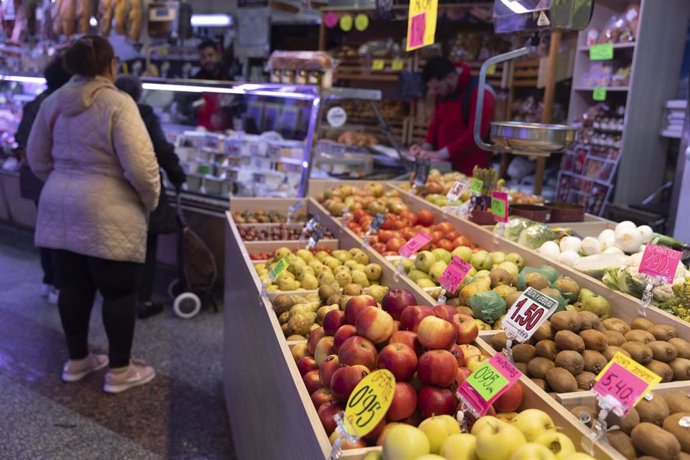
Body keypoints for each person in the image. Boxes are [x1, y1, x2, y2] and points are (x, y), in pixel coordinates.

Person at [26, 36, 161, 393]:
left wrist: (64, 179)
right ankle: (119, 371)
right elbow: (142, 167)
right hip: (109, 210)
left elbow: (36, 157)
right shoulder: (119, 103)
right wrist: (149, 200)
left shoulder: (52, 102)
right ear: (110, 65)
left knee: (71, 286)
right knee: (118, 292)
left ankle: (77, 360)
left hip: (59, 206)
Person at [115, 75, 187, 319]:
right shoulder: (145, 115)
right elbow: (162, 150)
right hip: (142, 192)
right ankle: (143, 299)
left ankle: (118, 294)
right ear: (139, 94)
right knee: (146, 247)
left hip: (114, 192)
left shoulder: (107, 113)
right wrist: (177, 175)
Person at [16, 57, 71, 304]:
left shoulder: (35, 103)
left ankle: (48, 280)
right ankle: (59, 283)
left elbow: (20, 138)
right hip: (53, 177)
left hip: (36, 179)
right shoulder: (60, 106)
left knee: (46, 229)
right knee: (58, 233)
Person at [410, 56, 495, 176]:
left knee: (476, 195)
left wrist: (441, 153)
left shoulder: (481, 93)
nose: (434, 92)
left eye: (437, 88)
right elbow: (436, 123)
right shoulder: (444, 92)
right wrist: (425, 148)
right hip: (446, 168)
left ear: (450, 77)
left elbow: (476, 135)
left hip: (473, 170)